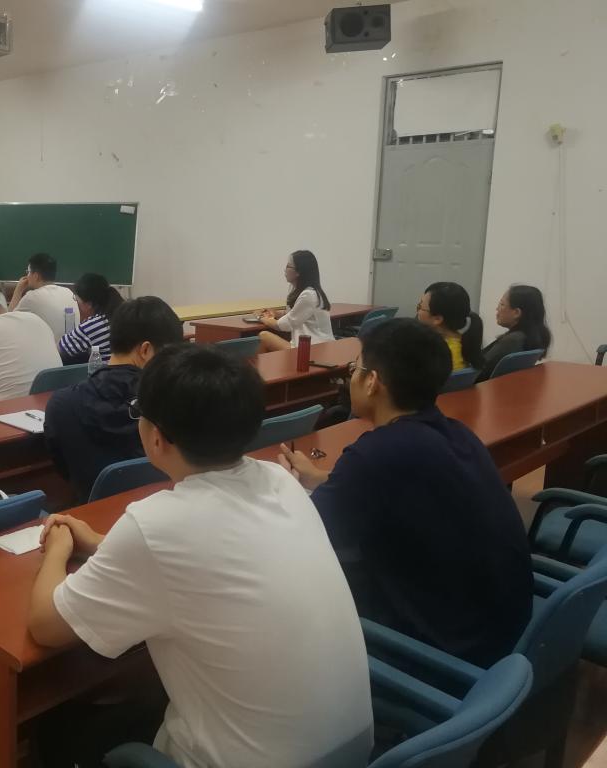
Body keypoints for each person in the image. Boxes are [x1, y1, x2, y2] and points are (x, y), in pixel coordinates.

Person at [29, 344, 373, 768]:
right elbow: (209, 556)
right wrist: (104, 544)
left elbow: (46, 626)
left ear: (156, 436)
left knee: (59, 730)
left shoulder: (155, 525)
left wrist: (58, 549)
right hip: (352, 749)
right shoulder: (279, 479)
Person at [279, 318, 532, 666]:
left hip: (449, 652)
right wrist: (320, 478)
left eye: (355, 369)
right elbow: (392, 490)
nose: (351, 378)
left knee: (295, 589)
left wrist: (283, 487)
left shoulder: (375, 453)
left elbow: (306, 533)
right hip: (500, 629)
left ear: (372, 382)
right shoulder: (456, 433)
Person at [45, 296, 183, 501]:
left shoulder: (61, 404)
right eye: (168, 355)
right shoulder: (172, 401)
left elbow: (64, 470)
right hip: (162, 508)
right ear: (145, 350)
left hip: (92, 512)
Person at [258, 249, 335, 352]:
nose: (285, 269)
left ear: (299, 272)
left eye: (288, 266)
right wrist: (275, 313)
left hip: (314, 349)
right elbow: (293, 315)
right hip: (308, 345)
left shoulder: (309, 295)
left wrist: (261, 318)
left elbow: (284, 325)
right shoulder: (296, 289)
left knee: (263, 336)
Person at [478, 285, 552, 382]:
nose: (497, 309)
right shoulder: (531, 337)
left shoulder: (513, 341)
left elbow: (476, 372)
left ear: (516, 313)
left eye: (502, 304)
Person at [9, 253, 79, 342]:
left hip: (50, 349)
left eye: (28, 272)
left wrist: (18, 290)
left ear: (36, 276)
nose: (27, 276)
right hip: (70, 347)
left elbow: (9, 321)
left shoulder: (32, 297)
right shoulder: (68, 292)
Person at [416, 281, 484, 372]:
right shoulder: (462, 342)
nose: (417, 312)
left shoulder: (439, 355)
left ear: (437, 319)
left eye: (420, 307)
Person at [58, 273, 124, 365]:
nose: (77, 304)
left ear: (89, 304)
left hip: (107, 372)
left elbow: (60, 350)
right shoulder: (123, 314)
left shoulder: (92, 325)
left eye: (77, 300)